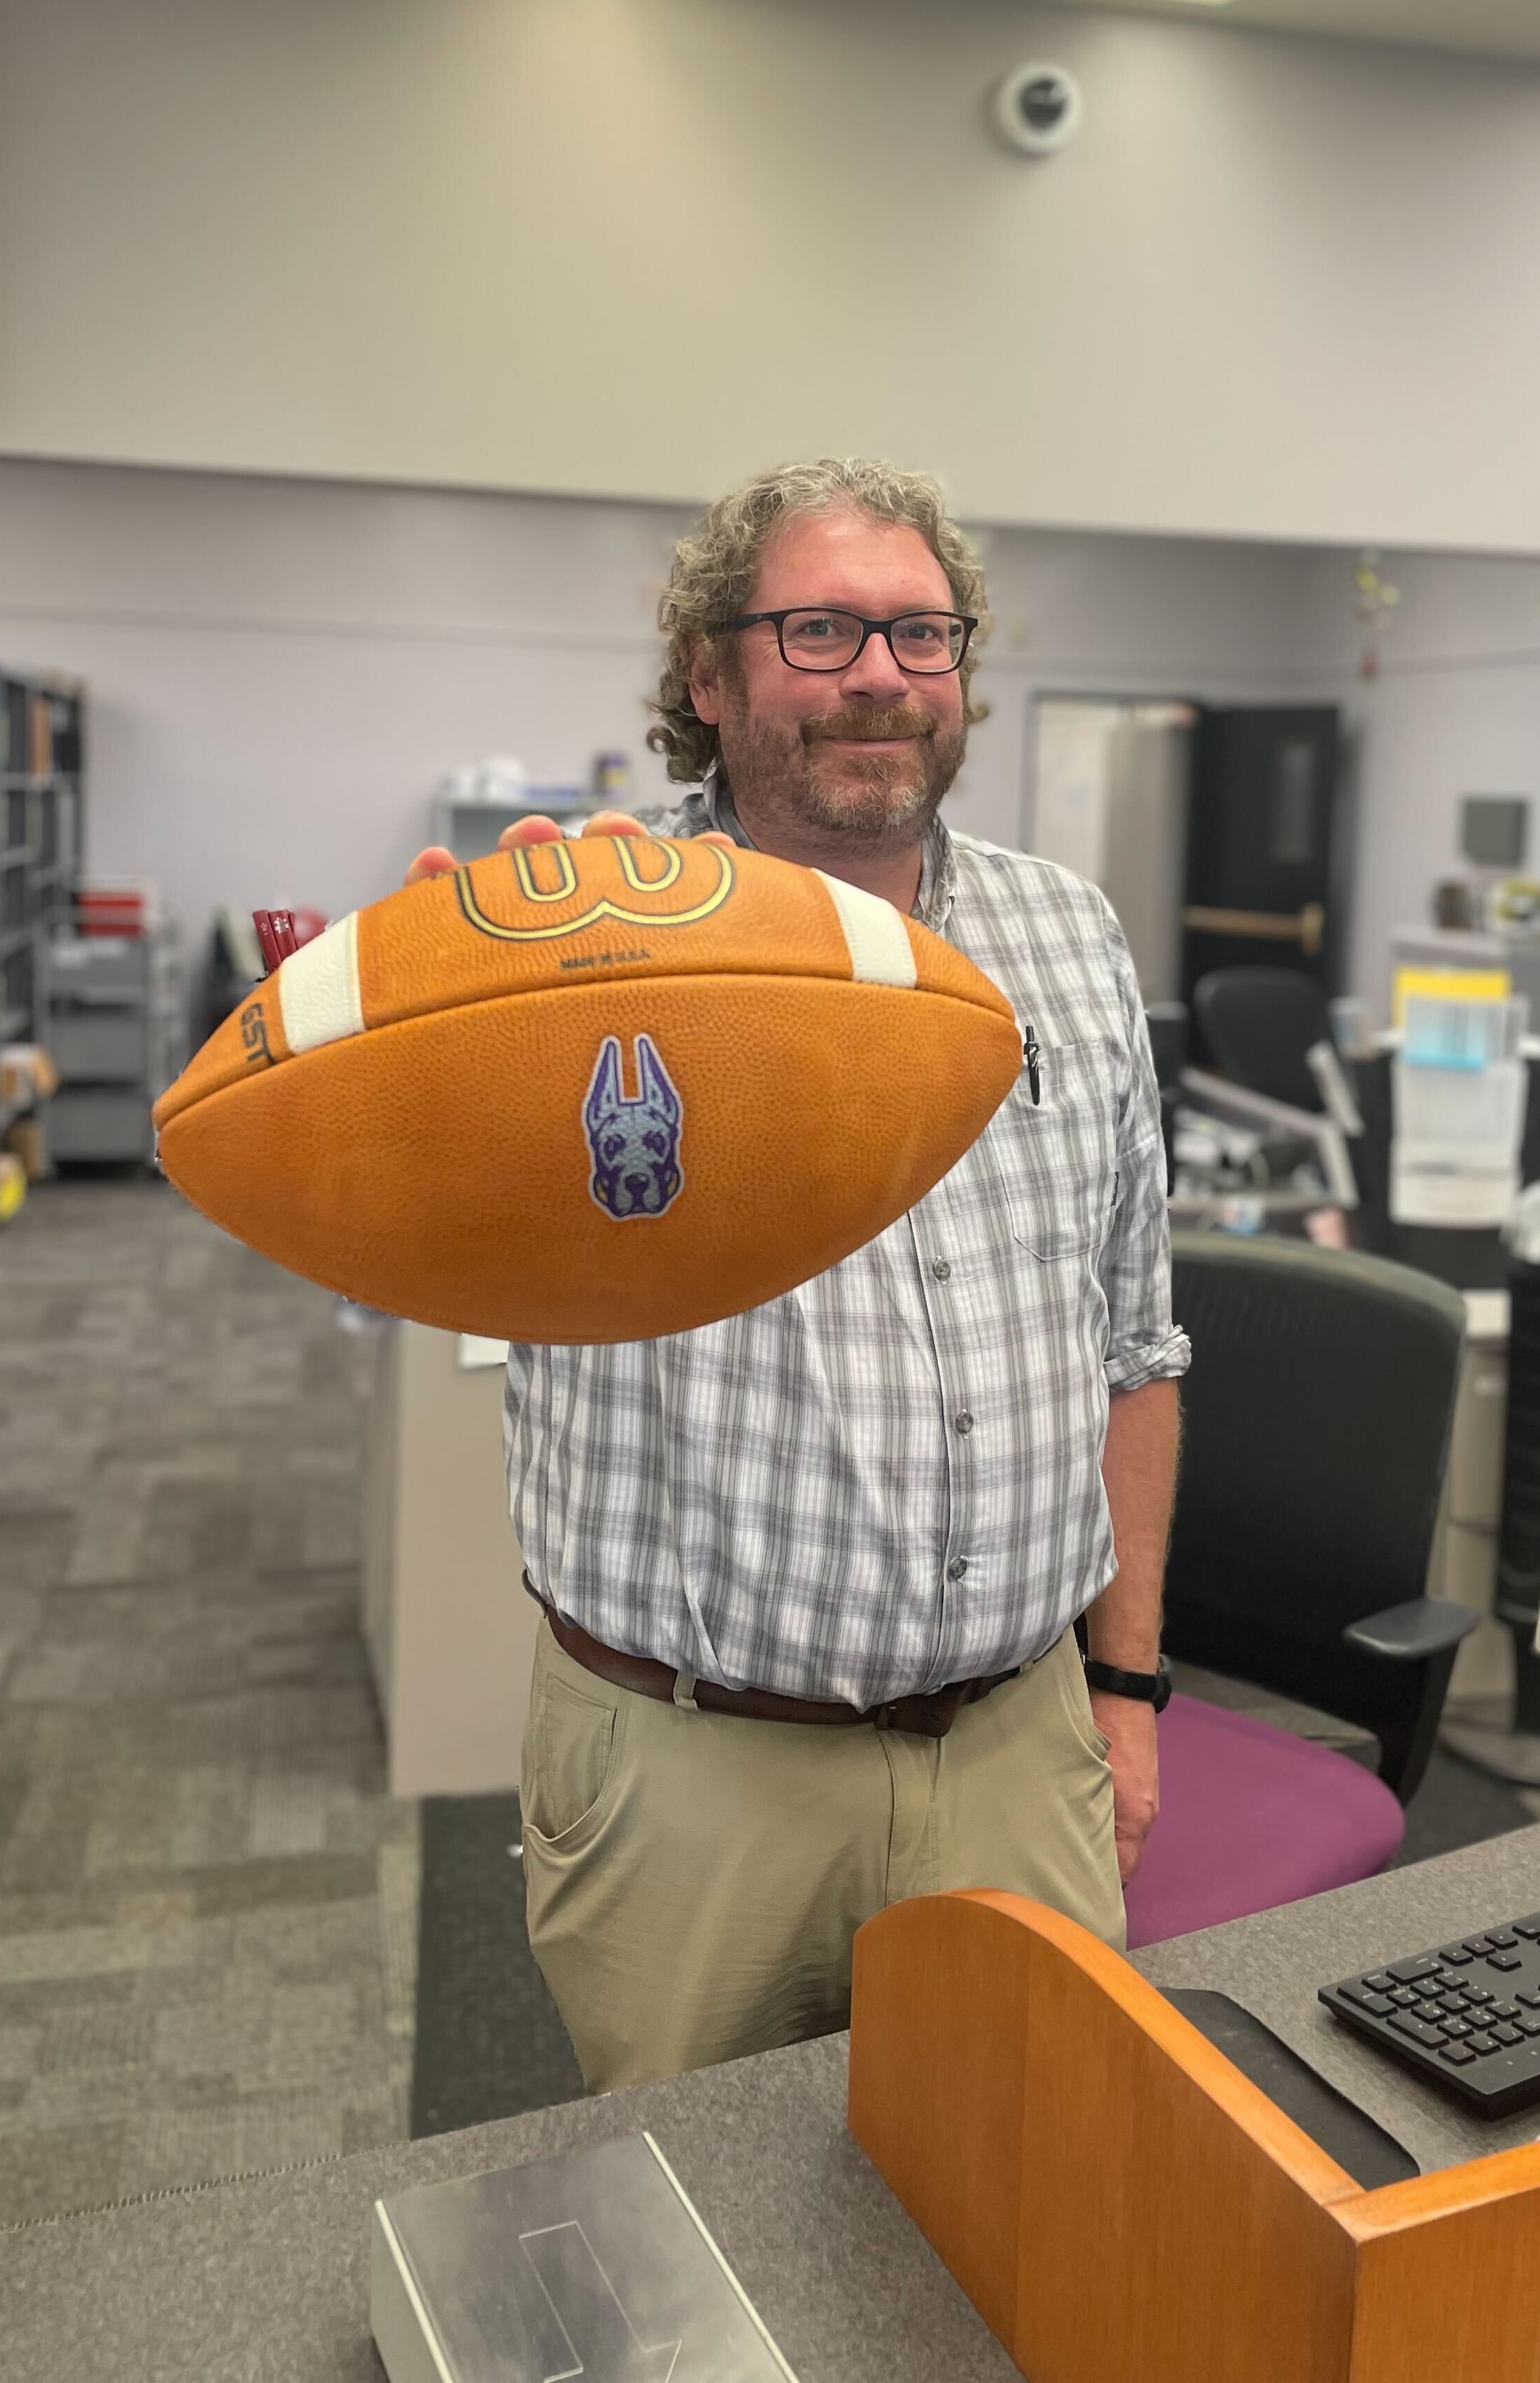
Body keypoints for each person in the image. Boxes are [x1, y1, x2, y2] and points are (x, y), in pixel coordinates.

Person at [404, 456, 1188, 2090]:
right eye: (820, 632)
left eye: (923, 634)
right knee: (695, 2269)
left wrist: (1124, 1691)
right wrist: (453, 1033)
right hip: (701, 1773)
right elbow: (436, 1214)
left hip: (1019, 1748)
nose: (883, 677)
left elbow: (1136, 1347)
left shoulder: (1070, 938)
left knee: (1027, 2231)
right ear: (709, 673)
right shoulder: (587, 952)